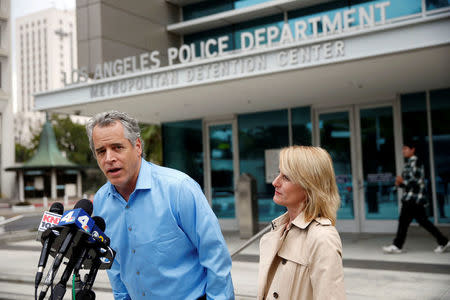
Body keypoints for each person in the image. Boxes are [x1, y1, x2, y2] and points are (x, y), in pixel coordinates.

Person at [86, 111, 234, 300]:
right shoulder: (100, 201)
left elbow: (215, 256)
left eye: (117, 147)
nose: (109, 158)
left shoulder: (179, 188)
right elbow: (115, 266)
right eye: (101, 151)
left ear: (137, 146)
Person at [257, 146, 346, 300]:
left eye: (286, 177)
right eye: (279, 173)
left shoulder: (322, 237)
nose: (275, 182)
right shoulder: (279, 229)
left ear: (309, 186)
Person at [382, 140, 450, 254]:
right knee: (422, 221)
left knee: (404, 221)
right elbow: (407, 183)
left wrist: (402, 181)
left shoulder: (416, 162)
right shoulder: (410, 163)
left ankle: (397, 245)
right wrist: (399, 183)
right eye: (403, 148)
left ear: (412, 149)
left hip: (413, 198)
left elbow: (415, 183)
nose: (403, 151)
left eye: (406, 148)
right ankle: (443, 241)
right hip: (412, 198)